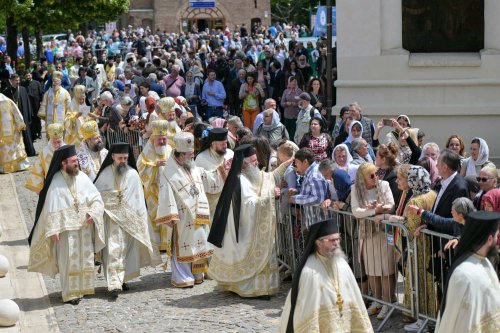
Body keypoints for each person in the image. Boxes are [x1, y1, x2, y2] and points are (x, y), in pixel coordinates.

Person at [208, 144, 292, 298]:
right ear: (244, 164)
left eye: (256, 160)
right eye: (252, 161)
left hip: (252, 225)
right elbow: (250, 205)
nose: (256, 163)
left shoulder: (251, 174)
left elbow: (268, 177)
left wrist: (286, 164)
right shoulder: (239, 180)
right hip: (245, 227)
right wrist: (270, 196)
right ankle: (249, 288)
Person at [27, 145, 105, 305]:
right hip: (65, 231)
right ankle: (70, 293)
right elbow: (50, 208)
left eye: (77, 160)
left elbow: (96, 197)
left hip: (84, 226)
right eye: (73, 161)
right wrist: (53, 230)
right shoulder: (55, 182)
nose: (77, 164)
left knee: (85, 259)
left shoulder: (82, 177)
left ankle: (84, 288)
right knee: (69, 261)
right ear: (63, 163)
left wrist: (93, 213)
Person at [156, 132, 226, 288]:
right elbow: (166, 195)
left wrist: (222, 169)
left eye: (193, 154)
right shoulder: (168, 173)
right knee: (183, 244)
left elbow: (208, 179)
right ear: (180, 155)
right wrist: (171, 215)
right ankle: (182, 275)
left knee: (199, 243)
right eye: (189, 155)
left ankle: (197, 273)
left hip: (199, 214)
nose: (192, 157)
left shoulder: (193, 166)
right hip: (181, 217)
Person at [279, 219, 374, 333]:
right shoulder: (309, 271)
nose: (337, 243)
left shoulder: (342, 263)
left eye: (338, 239)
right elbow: (306, 309)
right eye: (332, 240)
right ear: (319, 243)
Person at [94, 143, 161, 299]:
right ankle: (113, 284)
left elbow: (138, 199)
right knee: (112, 251)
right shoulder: (104, 174)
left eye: (125, 158)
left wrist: (137, 218)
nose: (123, 161)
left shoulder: (133, 174)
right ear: (112, 157)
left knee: (127, 251)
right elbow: (96, 195)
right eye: (120, 158)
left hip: (129, 222)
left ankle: (122, 279)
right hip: (111, 221)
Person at [435, 211, 500, 333]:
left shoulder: (485, 263)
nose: (498, 239)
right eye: (497, 235)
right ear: (490, 239)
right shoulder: (463, 274)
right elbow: (449, 318)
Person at [351, 163, 395, 319]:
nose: (376, 177)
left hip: (383, 233)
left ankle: (388, 303)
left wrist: (379, 208)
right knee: (371, 270)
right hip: (367, 233)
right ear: (362, 177)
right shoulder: (356, 188)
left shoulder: (384, 185)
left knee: (385, 269)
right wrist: (372, 210)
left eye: (377, 173)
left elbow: (391, 204)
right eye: (371, 175)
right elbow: (356, 211)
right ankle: (377, 301)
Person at [137, 120, 173, 252]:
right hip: (152, 189)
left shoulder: (170, 150)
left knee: (168, 213)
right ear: (154, 138)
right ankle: (157, 244)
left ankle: (168, 241)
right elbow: (140, 167)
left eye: (164, 139)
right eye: (160, 140)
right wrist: (154, 165)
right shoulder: (147, 151)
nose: (162, 142)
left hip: (168, 189)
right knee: (155, 216)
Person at [195, 128, 234, 219]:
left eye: (226, 142)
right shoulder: (201, 158)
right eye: (222, 144)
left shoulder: (230, 154)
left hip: (229, 200)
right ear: (213, 143)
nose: (225, 146)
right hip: (211, 205)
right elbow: (199, 183)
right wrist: (221, 170)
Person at [2, 74, 36, 156]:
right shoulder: (6, 92)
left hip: (24, 115)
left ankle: (30, 152)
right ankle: (18, 154)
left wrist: (29, 114)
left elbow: (27, 102)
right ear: (11, 81)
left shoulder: (23, 89)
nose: (18, 82)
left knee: (26, 133)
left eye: (18, 80)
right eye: (16, 80)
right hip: (12, 117)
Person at [25, 123, 65, 194]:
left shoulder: (67, 150)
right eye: (54, 142)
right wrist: (39, 188)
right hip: (50, 186)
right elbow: (38, 169)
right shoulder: (44, 152)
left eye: (59, 142)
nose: (56, 145)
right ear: (50, 140)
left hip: (65, 185)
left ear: (62, 139)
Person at [0, 91, 30, 173]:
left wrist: (20, 125)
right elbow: (17, 114)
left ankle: (5, 168)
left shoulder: (7, 101)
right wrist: (20, 124)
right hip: (9, 131)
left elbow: (16, 113)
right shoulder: (8, 101)